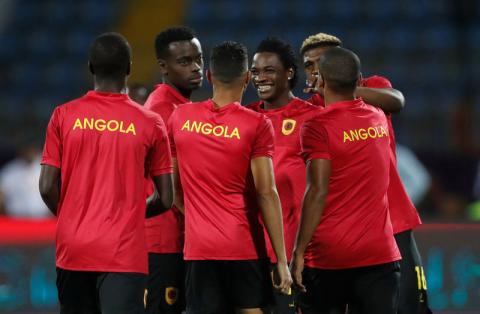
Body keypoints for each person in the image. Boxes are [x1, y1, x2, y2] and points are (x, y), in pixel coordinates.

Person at [39, 32, 174, 314]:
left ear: (90, 67)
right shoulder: (150, 123)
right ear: (129, 69)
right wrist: (132, 214)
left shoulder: (63, 115)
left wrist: (72, 217)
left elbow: (46, 186)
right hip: (124, 252)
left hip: (73, 249)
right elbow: (166, 197)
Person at [300, 33, 431, 314]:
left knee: (412, 308)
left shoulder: (374, 87)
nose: (314, 71)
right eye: (309, 66)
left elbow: (396, 100)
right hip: (342, 236)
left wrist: (341, 89)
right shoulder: (308, 112)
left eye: (321, 63)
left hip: (392, 223)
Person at [168, 41, 292, 313]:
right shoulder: (257, 124)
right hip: (243, 246)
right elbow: (266, 192)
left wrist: (201, 219)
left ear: (210, 76)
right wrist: (282, 260)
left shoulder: (179, 118)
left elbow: (173, 190)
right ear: (247, 78)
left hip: (199, 249)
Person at [290, 47, 401, 314]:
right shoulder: (377, 119)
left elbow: (317, 191)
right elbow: (393, 102)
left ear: (322, 82)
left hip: (329, 259)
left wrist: (299, 251)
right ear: (359, 79)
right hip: (380, 255)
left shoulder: (317, 127)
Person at [247, 37, 318, 314]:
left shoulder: (312, 118)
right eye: (255, 71)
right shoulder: (244, 117)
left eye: (269, 70)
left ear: (289, 73)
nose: (260, 78)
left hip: (295, 254)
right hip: (250, 252)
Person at [143, 25, 203, 314]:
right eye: (185, 62)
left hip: (177, 236)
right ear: (163, 67)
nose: (196, 68)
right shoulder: (164, 112)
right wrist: (204, 224)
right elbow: (169, 186)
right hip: (164, 241)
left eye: (198, 59)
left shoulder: (179, 106)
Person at [0, 140, 50, 218]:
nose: (29, 150)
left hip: (43, 222)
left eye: (32, 147)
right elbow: (1, 199)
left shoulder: (49, 168)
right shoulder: (8, 171)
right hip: (15, 221)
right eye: (27, 147)